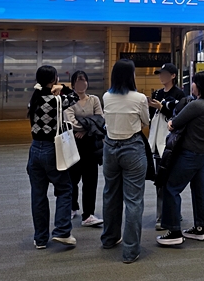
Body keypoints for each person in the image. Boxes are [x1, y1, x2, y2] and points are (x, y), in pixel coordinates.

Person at [156, 72, 204, 246]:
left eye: (194, 82)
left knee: (171, 188)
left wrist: (170, 124)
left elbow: (174, 123)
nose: (192, 85)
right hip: (201, 154)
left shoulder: (197, 105)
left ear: (200, 86)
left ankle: (174, 231)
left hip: (190, 154)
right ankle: (200, 228)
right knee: (199, 189)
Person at [101, 59, 150, 264]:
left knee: (110, 194)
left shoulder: (106, 96)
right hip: (132, 148)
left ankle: (109, 239)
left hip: (110, 147)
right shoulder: (139, 98)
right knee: (133, 200)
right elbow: (146, 121)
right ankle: (130, 251)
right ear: (131, 76)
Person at [26, 65, 80, 249]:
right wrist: (63, 87)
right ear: (53, 79)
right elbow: (74, 97)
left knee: (38, 195)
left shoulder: (34, 99)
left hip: (34, 150)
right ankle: (62, 231)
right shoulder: (55, 101)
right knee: (65, 189)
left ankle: (40, 238)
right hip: (51, 149)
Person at [64, 71, 105, 228]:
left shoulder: (94, 99)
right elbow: (71, 122)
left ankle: (88, 214)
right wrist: (90, 125)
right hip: (73, 145)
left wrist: (85, 130)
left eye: (84, 81)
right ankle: (72, 206)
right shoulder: (68, 101)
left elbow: (100, 119)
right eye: (78, 82)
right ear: (73, 84)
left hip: (90, 146)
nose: (81, 85)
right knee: (72, 179)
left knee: (90, 181)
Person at [148, 63, 186, 231]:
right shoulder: (157, 93)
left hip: (171, 142)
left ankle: (172, 212)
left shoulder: (179, 94)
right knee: (161, 181)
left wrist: (162, 108)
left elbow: (178, 116)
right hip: (157, 142)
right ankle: (162, 215)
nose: (161, 77)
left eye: (164, 74)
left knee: (171, 180)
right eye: (159, 74)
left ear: (173, 76)